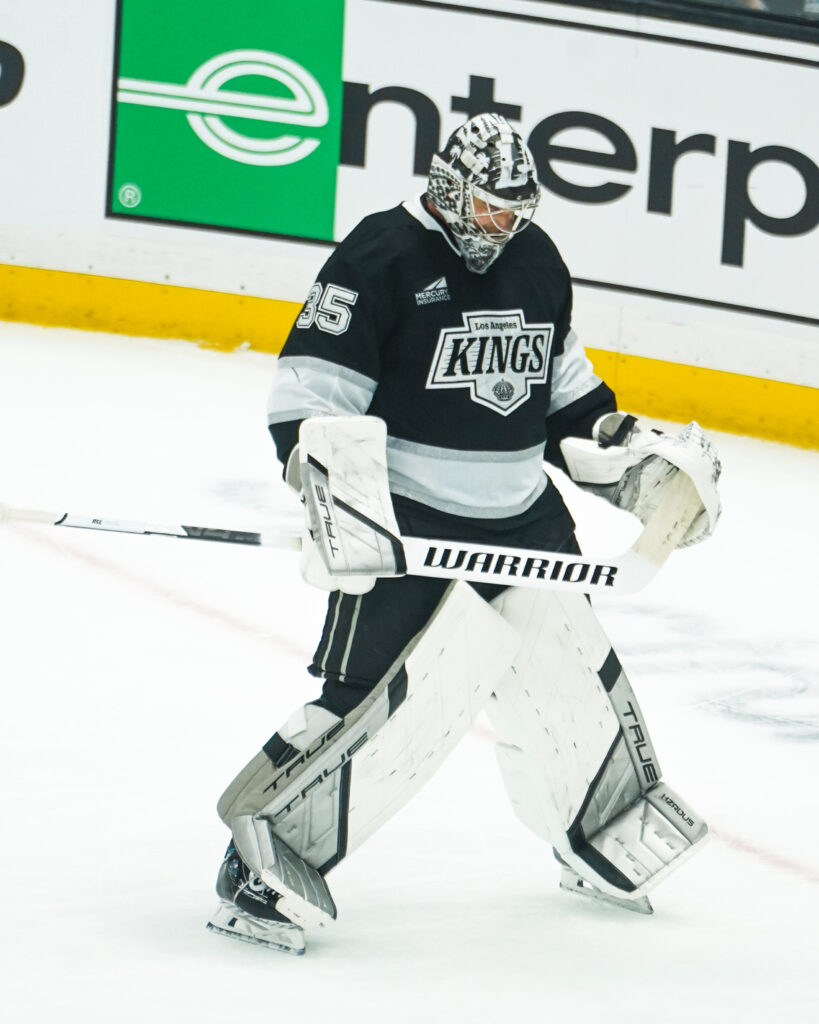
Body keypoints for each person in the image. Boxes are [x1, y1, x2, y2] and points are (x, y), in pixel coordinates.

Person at [206, 113, 721, 956]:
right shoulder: (378, 258)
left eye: (516, 209)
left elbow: (566, 396)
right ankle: (262, 860)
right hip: (411, 525)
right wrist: (337, 494)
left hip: (525, 525)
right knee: (377, 705)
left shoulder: (535, 257)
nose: (503, 225)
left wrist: (627, 456)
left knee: (570, 677)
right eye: (488, 207)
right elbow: (307, 397)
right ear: (448, 189)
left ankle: (597, 833)